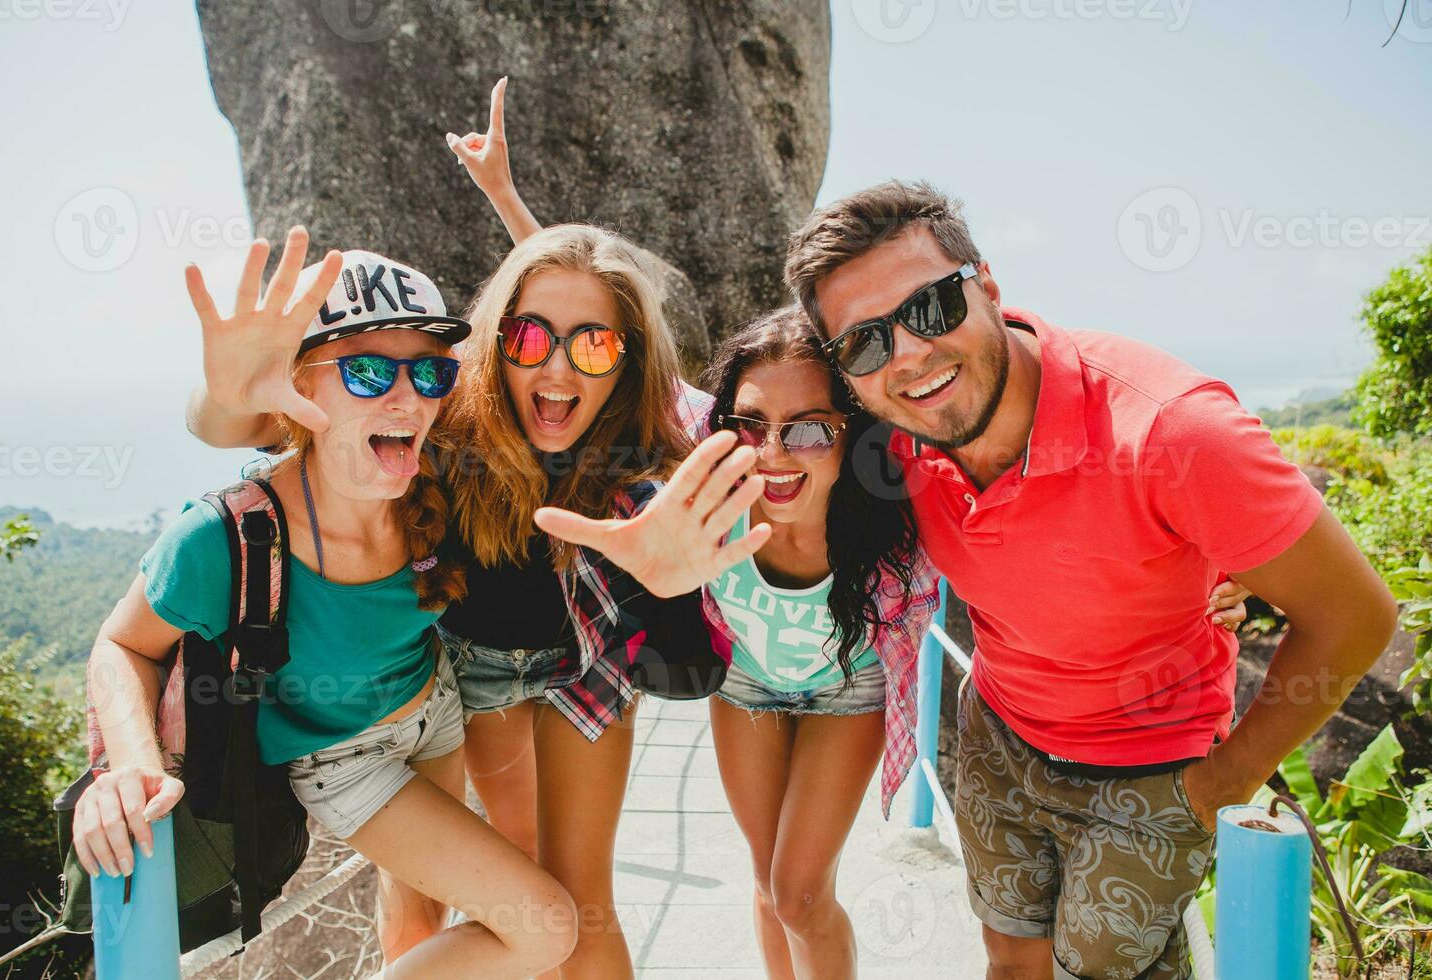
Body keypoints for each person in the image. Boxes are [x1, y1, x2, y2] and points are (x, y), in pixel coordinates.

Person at [452, 82, 1256, 979]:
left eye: (809, 430)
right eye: (752, 425)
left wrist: (1217, 566)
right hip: (745, 689)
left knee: (800, 890)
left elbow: (1041, 487)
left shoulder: (899, 492)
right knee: (766, 885)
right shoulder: (715, 458)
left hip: (850, 690)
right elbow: (589, 332)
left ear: (851, 432)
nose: (776, 450)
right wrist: (511, 206)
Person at [540, 179, 1400, 979]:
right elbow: (661, 394)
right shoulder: (896, 443)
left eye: (931, 304)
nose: (909, 355)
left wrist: (1227, 778)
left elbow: (1354, 614)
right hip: (995, 738)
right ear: (853, 377)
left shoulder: (1171, 431)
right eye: (868, 342)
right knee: (1007, 958)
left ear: (986, 282)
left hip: (1151, 768)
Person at [186, 222, 735, 976]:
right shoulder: (438, 415)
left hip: (587, 666)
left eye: (595, 345)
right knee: (515, 892)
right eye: (530, 337)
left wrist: (672, 589)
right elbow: (248, 422)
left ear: (629, 359)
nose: (558, 367)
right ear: (494, 340)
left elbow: (690, 635)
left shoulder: (640, 451)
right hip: (471, 676)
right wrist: (216, 398)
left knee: (583, 903)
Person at [74, 230, 576, 979]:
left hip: (434, 704)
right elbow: (123, 645)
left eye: (431, 373)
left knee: (419, 921)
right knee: (548, 928)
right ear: (299, 389)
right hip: (342, 759)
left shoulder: (435, 475)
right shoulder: (226, 537)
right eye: (370, 371)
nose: (409, 397)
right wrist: (134, 770)